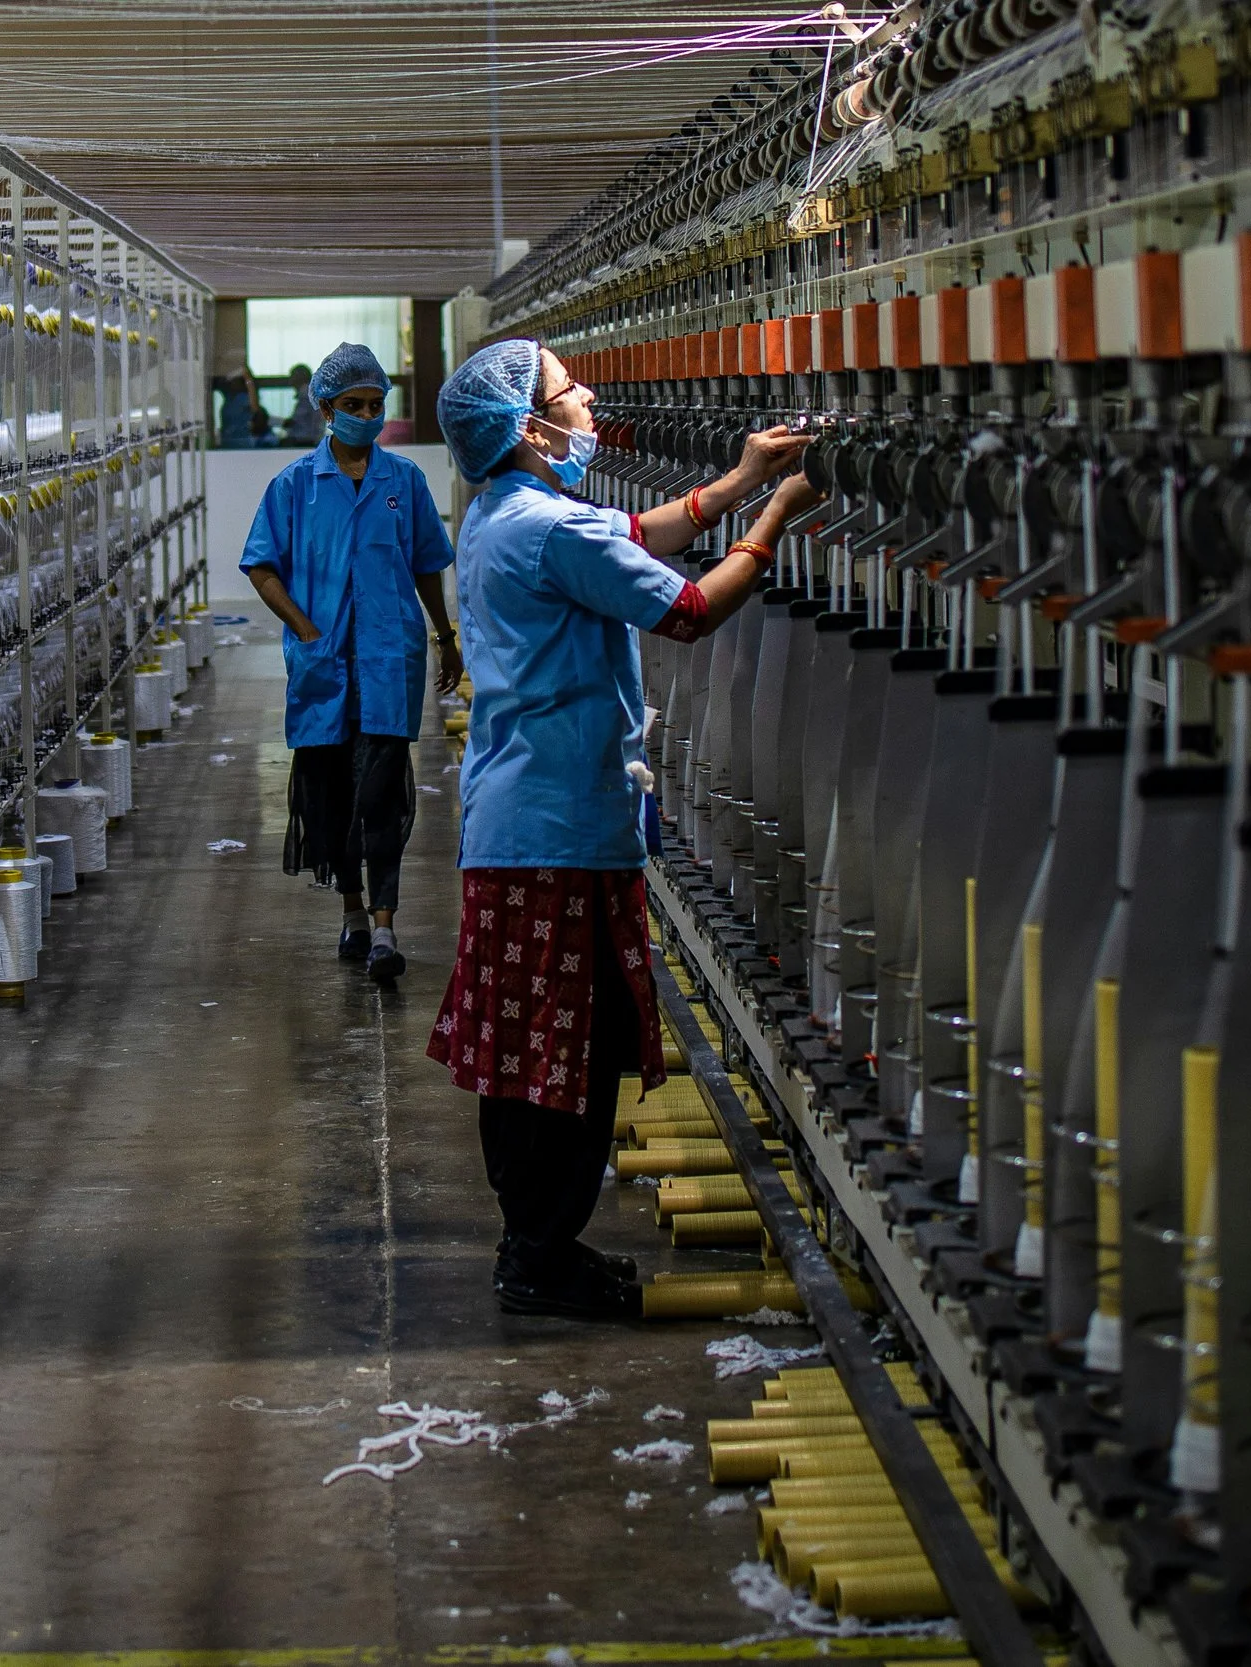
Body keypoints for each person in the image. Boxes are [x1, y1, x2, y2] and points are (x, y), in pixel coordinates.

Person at [427, 337, 821, 1319]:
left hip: (531, 818)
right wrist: (774, 516)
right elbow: (687, 610)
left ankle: (540, 1243)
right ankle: (537, 1253)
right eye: (568, 391)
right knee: (560, 1052)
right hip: (552, 830)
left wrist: (733, 480)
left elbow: (628, 536)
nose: (588, 398)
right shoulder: (548, 530)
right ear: (528, 426)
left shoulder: (506, 514)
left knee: (541, 1046)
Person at [241, 340, 459, 986]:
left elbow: (426, 566)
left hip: (390, 661)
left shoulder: (405, 482)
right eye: (355, 404)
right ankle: (353, 911)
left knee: (382, 796)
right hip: (323, 668)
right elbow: (259, 564)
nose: (368, 414)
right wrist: (307, 629)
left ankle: (387, 927)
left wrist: (445, 636)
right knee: (331, 797)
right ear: (327, 409)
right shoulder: (295, 486)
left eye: (376, 404)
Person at [281, 363, 323, 445]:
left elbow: (298, 420)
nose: (290, 381)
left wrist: (274, 421)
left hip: (304, 442)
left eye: (292, 377)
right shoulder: (314, 394)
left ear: (299, 378)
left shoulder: (306, 395)